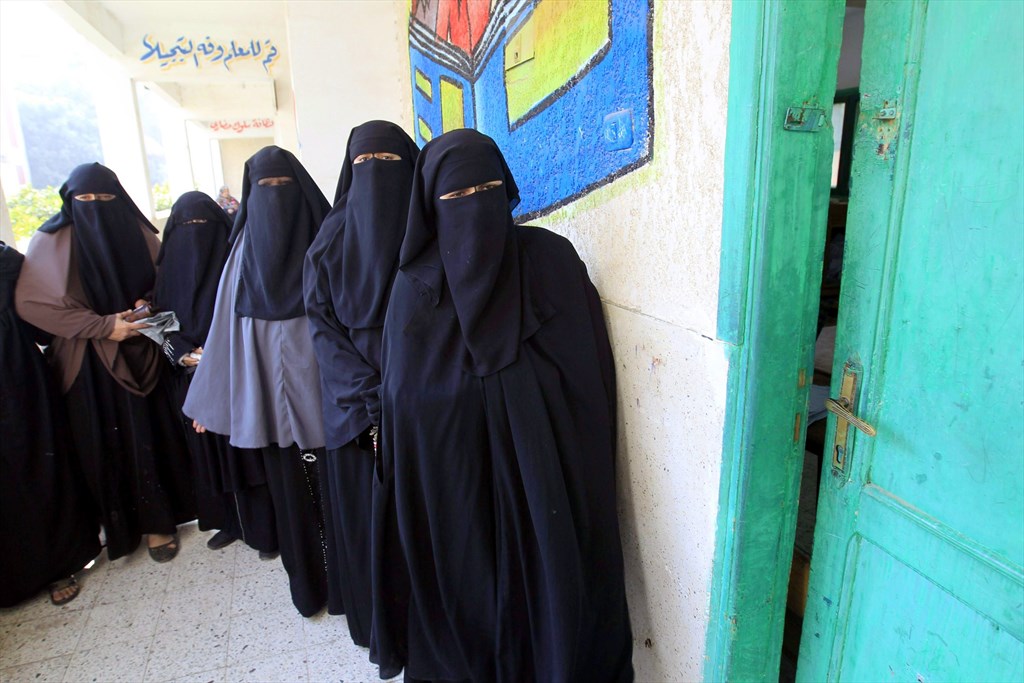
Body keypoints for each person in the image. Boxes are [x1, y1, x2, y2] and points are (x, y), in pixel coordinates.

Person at [373, 129, 634, 681]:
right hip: (454, 487)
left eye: (487, 190)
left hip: (545, 481)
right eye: (456, 199)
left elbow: (589, 383)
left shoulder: (552, 263)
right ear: (430, 207)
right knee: (468, 599)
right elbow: (405, 407)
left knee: (554, 595)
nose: (474, 211)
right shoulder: (413, 292)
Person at [15, 163, 195, 563]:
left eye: (106, 198)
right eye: (85, 200)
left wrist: (147, 304)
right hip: (89, 361)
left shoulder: (140, 232)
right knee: (107, 442)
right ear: (69, 201)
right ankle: (120, 527)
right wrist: (101, 326)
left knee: (153, 435)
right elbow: (32, 304)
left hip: (145, 347)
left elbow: (167, 278)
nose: (96, 206)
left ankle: (160, 523)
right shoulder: (51, 240)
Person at [184, 146, 331, 617]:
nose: (275, 199)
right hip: (269, 402)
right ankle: (307, 588)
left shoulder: (327, 237)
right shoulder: (242, 254)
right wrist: (211, 404)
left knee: (339, 496)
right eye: (265, 189)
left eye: (283, 187)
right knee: (291, 499)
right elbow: (224, 330)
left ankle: (349, 586)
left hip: (331, 399)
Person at [304, 121, 419, 646]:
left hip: (424, 397)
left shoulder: (430, 228)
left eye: (391, 166)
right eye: (365, 167)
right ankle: (382, 625)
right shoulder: (327, 244)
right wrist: (374, 402)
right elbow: (324, 332)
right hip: (357, 414)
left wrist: (410, 391)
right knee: (371, 519)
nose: (378, 180)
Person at [153, 191, 278, 556]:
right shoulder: (165, 276)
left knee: (249, 454)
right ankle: (229, 523)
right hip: (186, 379)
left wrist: (215, 361)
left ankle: (265, 531)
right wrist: (180, 353)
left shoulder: (239, 265)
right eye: (187, 226)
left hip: (238, 374)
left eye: (204, 226)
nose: (196, 235)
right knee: (207, 456)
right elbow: (160, 326)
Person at [1, 240, 101, 607]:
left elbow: (41, 318)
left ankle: (58, 565)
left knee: (39, 470)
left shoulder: (8, 262)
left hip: (20, 385)